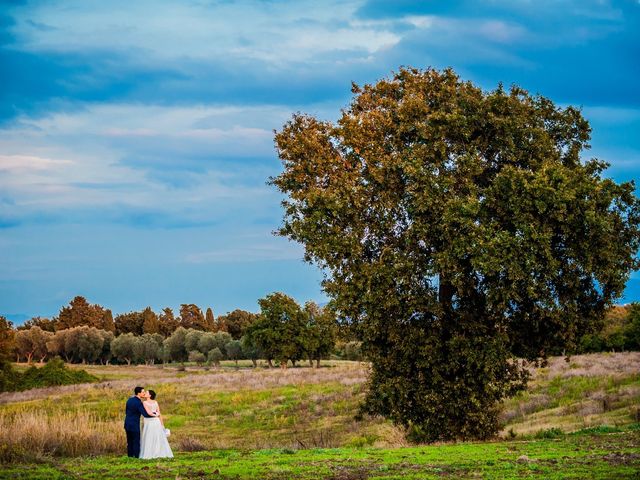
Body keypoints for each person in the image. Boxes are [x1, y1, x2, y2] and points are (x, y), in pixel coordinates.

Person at [139, 389, 174, 459]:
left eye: (146, 393)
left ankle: (152, 453)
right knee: (155, 437)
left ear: (150, 395)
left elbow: (150, 413)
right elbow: (158, 414)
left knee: (152, 437)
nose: (145, 393)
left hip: (151, 421)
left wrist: (162, 424)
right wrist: (158, 417)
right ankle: (157, 452)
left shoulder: (145, 403)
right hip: (154, 421)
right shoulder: (154, 402)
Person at [124, 386, 157, 458]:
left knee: (129, 441)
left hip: (127, 423)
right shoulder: (139, 402)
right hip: (134, 424)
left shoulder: (129, 400)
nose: (144, 393)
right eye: (143, 392)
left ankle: (130, 456)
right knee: (136, 441)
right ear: (138, 393)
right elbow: (145, 414)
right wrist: (155, 415)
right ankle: (136, 457)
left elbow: (126, 411)